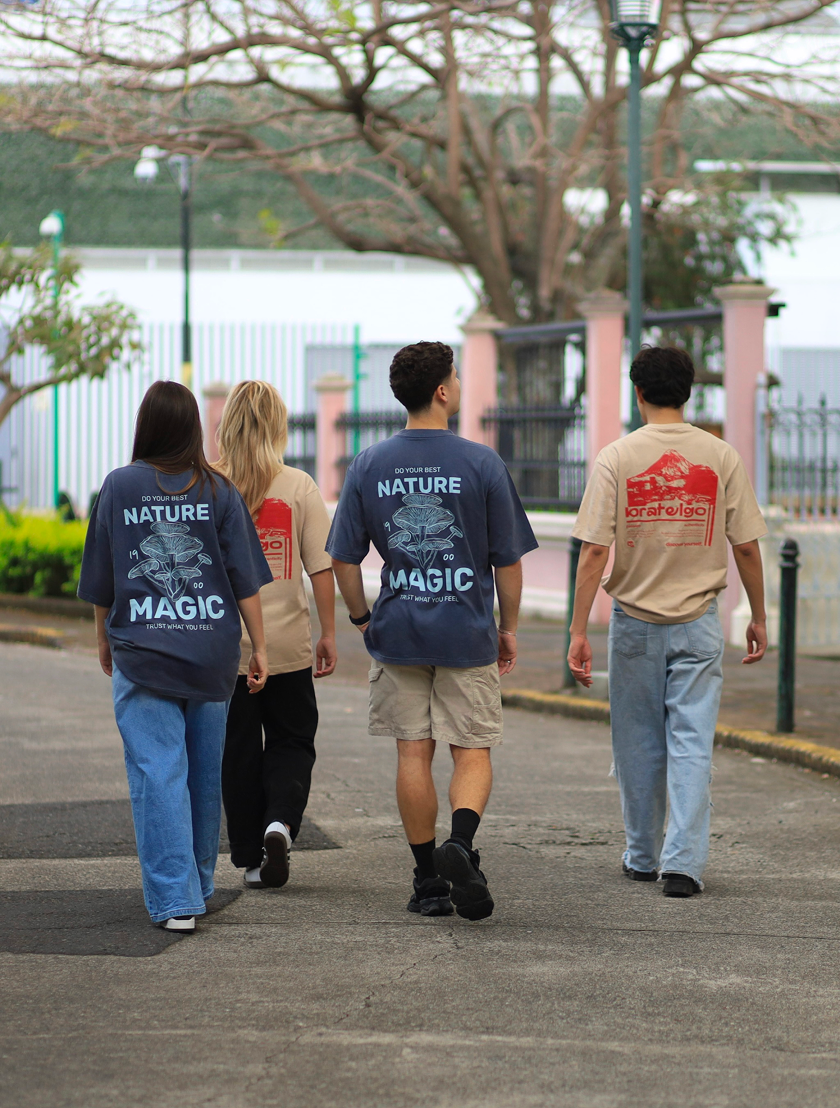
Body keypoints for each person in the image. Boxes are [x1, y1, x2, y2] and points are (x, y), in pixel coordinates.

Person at [327, 341, 538, 921]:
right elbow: (509, 561)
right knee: (471, 749)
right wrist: (509, 628)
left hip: (398, 631)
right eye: (456, 377)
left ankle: (428, 882)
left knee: (412, 753)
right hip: (466, 630)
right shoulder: (481, 462)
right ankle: (461, 847)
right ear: (442, 391)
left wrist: (360, 617)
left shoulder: (369, 463)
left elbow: (343, 557)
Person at [567, 345, 768, 898]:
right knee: (692, 741)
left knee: (636, 742)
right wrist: (757, 614)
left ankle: (641, 856)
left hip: (633, 622)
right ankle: (683, 864)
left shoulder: (616, 457)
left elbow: (592, 553)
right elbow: (746, 547)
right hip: (700, 621)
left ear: (638, 392)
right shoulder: (720, 455)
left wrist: (579, 629)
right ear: (689, 391)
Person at [78, 381, 273, 932]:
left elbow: (102, 579)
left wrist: (103, 639)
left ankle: (175, 900)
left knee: (157, 770)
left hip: (143, 651)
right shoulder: (219, 491)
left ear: (145, 425)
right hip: (212, 652)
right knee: (203, 772)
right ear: (193, 428)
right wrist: (259, 647)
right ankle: (199, 885)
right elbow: (245, 580)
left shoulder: (118, 487)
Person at [214, 380, 336, 890]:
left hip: (224, 651)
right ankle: (279, 822)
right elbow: (322, 568)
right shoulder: (299, 485)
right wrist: (331, 631)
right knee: (292, 739)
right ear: (279, 426)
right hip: (286, 647)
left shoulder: (209, 483)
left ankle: (249, 857)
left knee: (237, 751)